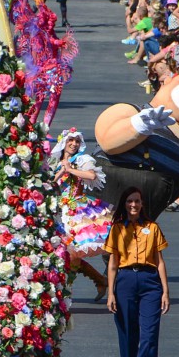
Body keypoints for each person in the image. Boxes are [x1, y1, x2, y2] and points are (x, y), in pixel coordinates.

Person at [105, 187, 169, 357]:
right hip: (125, 281)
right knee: (127, 335)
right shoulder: (116, 228)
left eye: (137, 201)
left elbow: (160, 262)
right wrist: (110, 293)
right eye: (129, 201)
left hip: (150, 281)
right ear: (124, 204)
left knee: (149, 336)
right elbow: (113, 264)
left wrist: (165, 291)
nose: (133, 205)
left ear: (142, 204)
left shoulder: (153, 227)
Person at [52, 128, 111, 301]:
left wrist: (70, 170)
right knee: (61, 252)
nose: (73, 144)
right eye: (71, 140)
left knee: (72, 252)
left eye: (77, 141)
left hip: (75, 211)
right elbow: (50, 184)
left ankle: (66, 290)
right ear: (64, 142)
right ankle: (100, 280)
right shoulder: (55, 162)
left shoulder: (82, 159)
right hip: (56, 211)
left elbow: (92, 175)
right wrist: (61, 172)